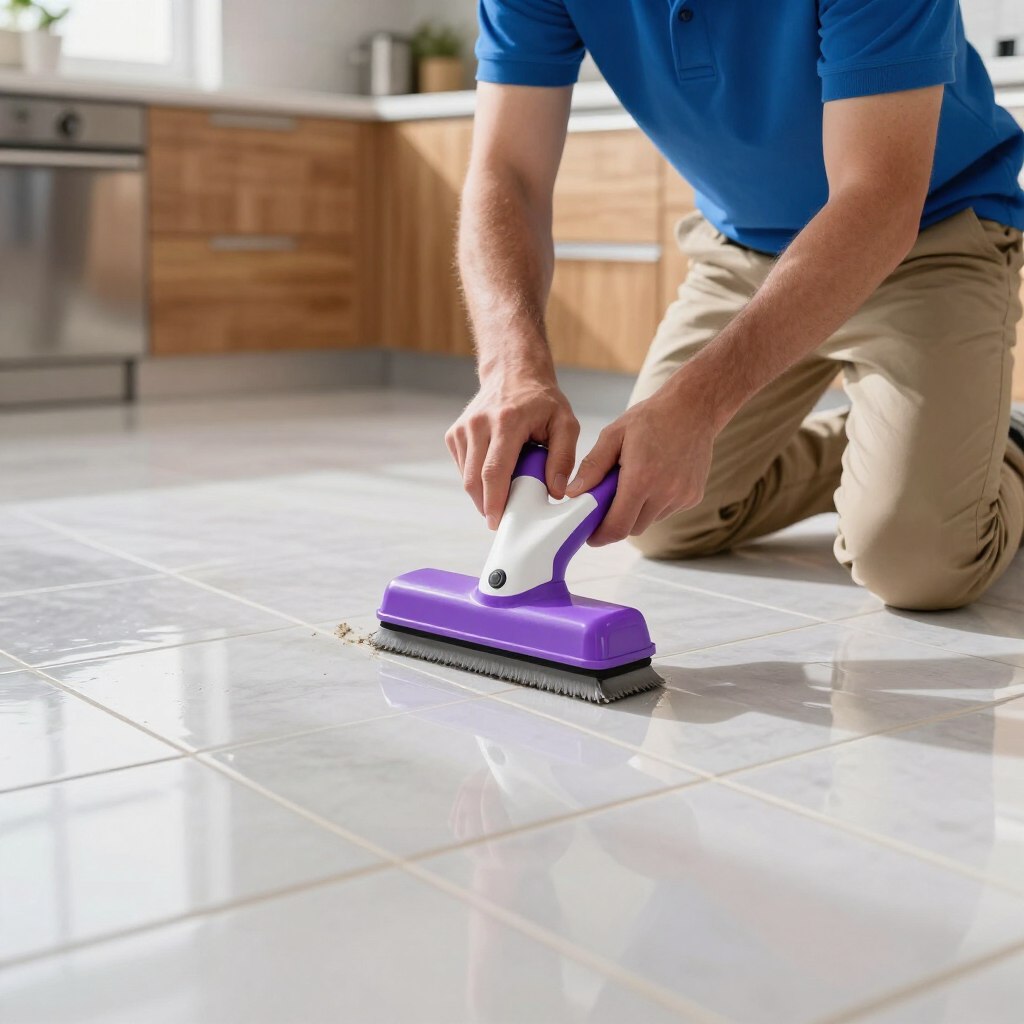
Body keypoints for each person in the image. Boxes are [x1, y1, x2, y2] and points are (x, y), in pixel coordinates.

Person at [443, 0, 1024, 611]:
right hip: (744, 249)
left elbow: (878, 198)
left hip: (929, 236)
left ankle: (1005, 445)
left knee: (917, 565)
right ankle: (895, 451)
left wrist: (698, 405)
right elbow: (508, 171)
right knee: (656, 513)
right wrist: (511, 365)